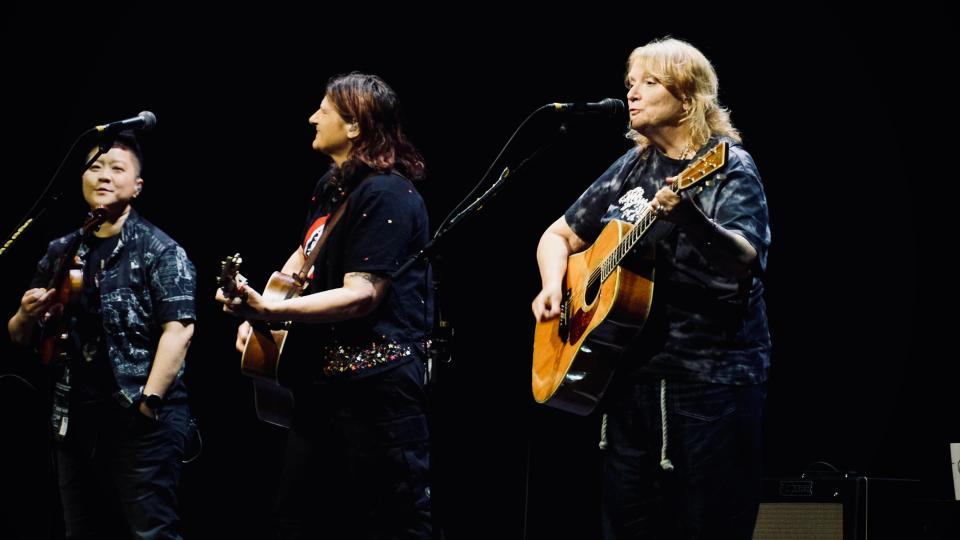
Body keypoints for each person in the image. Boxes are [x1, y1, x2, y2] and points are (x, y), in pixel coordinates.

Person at [531, 37, 771, 539]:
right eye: (629, 84)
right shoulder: (634, 166)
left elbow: (745, 261)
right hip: (630, 381)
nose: (632, 94)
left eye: (649, 83)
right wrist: (554, 284)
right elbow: (559, 234)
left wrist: (691, 221)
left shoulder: (727, 166)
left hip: (708, 385)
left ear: (687, 99)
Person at [216, 72, 433, 539]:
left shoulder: (387, 193)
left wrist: (273, 313)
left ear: (354, 126)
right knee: (296, 520)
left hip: (377, 394)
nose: (313, 117)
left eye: (324, 110)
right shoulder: (332, 186)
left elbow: (361, 296)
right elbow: (303, 258)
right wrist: (260, 310)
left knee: (392, 524)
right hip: (322, 390)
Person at [7, 130, 197, 539]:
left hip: (138, 419)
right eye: (95, 167)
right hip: (73, 417)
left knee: (152, 532)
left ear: (137, 186)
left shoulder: (160, 250)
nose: (104, 176)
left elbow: (179, 331)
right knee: (82, 530)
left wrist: (148, 403)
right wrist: (25, 314)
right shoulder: (61, 250)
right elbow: (20, 335)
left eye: (117, 168)